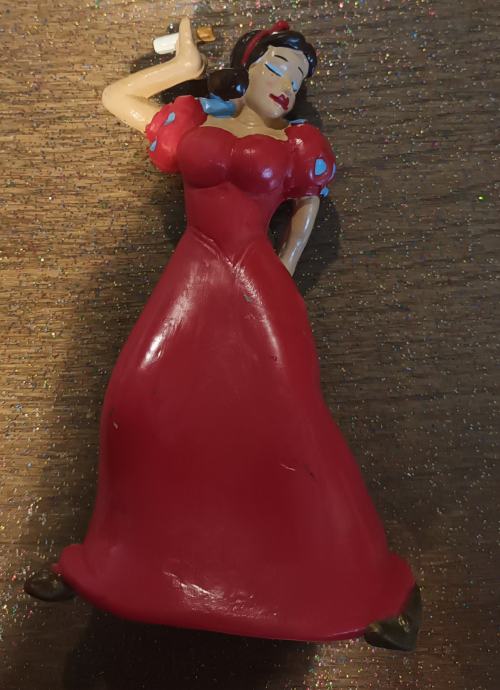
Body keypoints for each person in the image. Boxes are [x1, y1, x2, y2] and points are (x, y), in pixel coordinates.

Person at [25, 17, 421, 650]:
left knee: (292, 419)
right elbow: (116, 98)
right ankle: (112, 560)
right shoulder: (197, 123)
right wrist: (183, 67)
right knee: (136, 401)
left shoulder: (295, 144)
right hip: (193, 273)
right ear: (248, 65)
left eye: (298, 78)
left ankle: (371, 586)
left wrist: (285, 266)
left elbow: (308, 203)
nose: (288, 84)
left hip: (258, 281)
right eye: (279, 67)